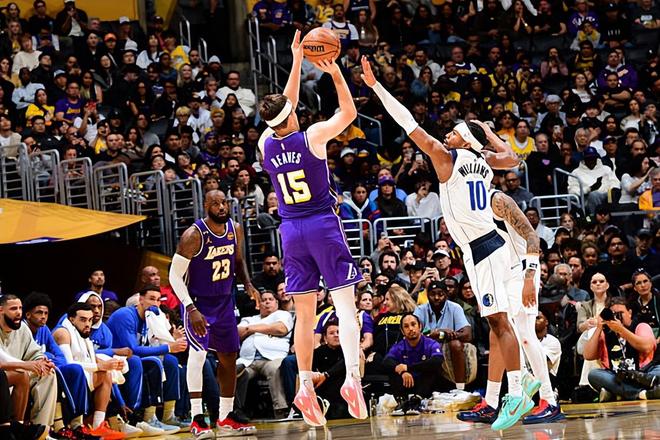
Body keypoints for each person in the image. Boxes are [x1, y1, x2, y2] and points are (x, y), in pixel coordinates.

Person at [361, 55, 531, 430]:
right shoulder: (484, 160)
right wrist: (486, 132)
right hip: (490, 245)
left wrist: (376, 87)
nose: (446, 135)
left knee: (499, 324)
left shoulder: (447, 157)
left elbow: (408, 122)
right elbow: (513, 159)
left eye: (453, 132)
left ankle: (517, 393)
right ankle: (497, 397)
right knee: (498, 325)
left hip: (484, 249)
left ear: (462, 140)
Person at [257, 31, 366, 427]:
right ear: (291, 116)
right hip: (322, 224)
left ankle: (304, 385)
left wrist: (295, 60)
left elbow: (284, 106)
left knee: (304, 316)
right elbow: (348, 113)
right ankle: (352, 378)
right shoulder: (313, 136)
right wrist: (335, 73)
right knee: (346, 307)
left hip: (290, 231)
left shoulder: (266, 143)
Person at [464, 189, 562, 424]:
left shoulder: (498, 200)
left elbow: (532, 236)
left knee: (526, 335)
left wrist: (530, 277)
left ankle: (550, 401)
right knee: (497, 333)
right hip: (501, 274)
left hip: (522, 271)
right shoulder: (469, 208)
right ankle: (491, 403)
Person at [169, 190, 260, 438]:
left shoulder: (235, 229)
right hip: (198, 304)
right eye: (215, 203)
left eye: (224, 203)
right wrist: (190, 308)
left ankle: (225, 417)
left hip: (224, 302)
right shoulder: (193, 235)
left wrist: (247, 283)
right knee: (198, 355)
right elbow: (174, 276)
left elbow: (238, 261)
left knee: (229, 356)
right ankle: (197, 418)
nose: (221, 207)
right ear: (206, 206)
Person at [106, 286, 186, 435]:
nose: (155, 303)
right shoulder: (126, 315)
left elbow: (155, 344)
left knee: (170, 361)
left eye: (158, 300)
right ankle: (141, 417)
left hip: (132, 357)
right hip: (116, 357)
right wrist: (169, 347)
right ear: (140, 299)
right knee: (151, 362)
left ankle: (168, 415)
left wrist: (172, 343)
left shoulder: (151, 317)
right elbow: (132, 349)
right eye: (151, 299)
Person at [52, 303, 125, 439]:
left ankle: (99, 425)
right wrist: (99, 367)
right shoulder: (63, 333)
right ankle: (95, 425)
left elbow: (90, 359)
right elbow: (68, 364)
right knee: (101, 373)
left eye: (90, 320)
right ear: (72, 319)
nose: (88, 324)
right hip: (65, 379)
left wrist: (111, 365)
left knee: (107, 373)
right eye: (83, 320)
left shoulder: (83, 334)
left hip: (80, 377)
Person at [584, 297, 658, 401]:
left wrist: (621, 330)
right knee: (594, 374)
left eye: (620, 313)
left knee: (658, 371)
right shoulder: (605, 333)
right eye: (614, 315)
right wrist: (599, 328)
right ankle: (643, 393)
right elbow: (588, 355)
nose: (617, 318)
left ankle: (617, 393)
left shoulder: (641, 326)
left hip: (643, 373)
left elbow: (647, 347)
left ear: (630, 313)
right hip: (616, 375)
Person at [0, 294, 57, 428]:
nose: (19, 312)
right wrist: (27, 365)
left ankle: (42, 428)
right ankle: (17, 427)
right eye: (13, 309)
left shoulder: (22, 328)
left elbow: (34, 352)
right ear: (1, 310)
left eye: (20, 308)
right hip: (4, 375)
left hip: (19, 371)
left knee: (48, 373)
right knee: (21, 375)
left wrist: (42, 362)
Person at [235, 291, 293, 419]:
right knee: (235, 372)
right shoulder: (249, 319)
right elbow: (237, 334)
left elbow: (281, 328)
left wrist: (250, 329)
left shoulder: (283, 314)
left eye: (270, 299)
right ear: (258, 304)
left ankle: (281, 410)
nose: (267, 302)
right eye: (263, 300)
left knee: (274, 368)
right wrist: (267, 328)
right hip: (248, 360)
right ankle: (236, 411)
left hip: (273, 357)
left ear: (276, 303)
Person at [414, 280, 474, 391]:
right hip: (427, 347)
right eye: (432, 294)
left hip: (448, 347)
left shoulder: (455, 308)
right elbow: (414, 334)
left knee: (455, 344)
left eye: (440, 294)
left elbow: (467, 334)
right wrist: (437, 332)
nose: (436, 297)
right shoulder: (420, 310)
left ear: (446, 295)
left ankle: (460, 389)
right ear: (427, 295)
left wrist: (442, 334)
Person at [382, 313, 443, 415]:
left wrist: (408, 368)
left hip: (425, 385)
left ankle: (417, 401)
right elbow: (386, 361)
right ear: (402, 331)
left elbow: (438, 360)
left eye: (413, 324)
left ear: (420, 326)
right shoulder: (399, 347)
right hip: (406, 384)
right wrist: (403, 372)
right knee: (394, 369)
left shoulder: (431, 344)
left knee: (431, 369)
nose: (410, 329)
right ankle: (402, 402)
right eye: (406, 326)